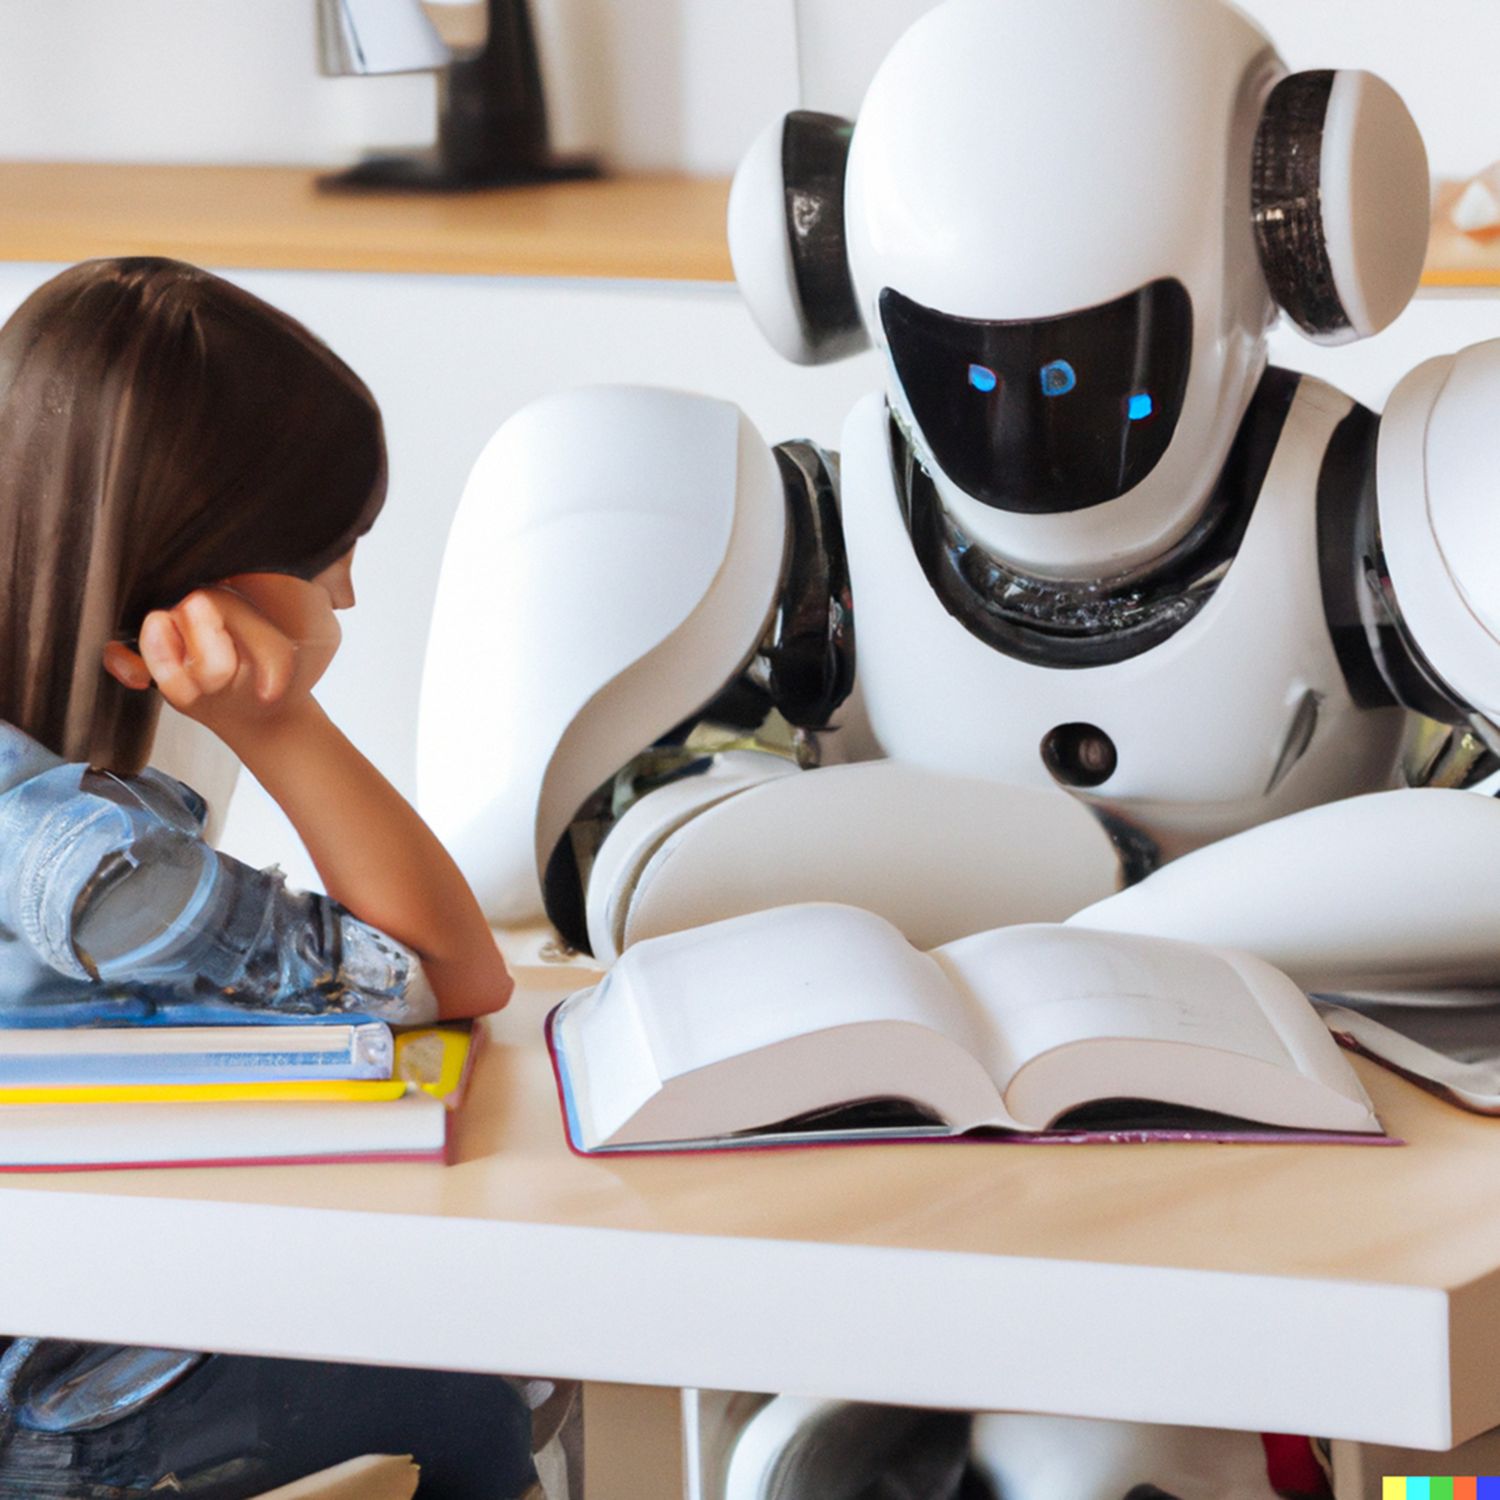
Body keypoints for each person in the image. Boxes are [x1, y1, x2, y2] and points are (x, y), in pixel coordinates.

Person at [0, 255, 512, 1025]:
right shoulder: (84, 866)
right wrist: (277, 721)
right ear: (180, 560)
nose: (345, 593)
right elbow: (449, 977)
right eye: (324, 550)